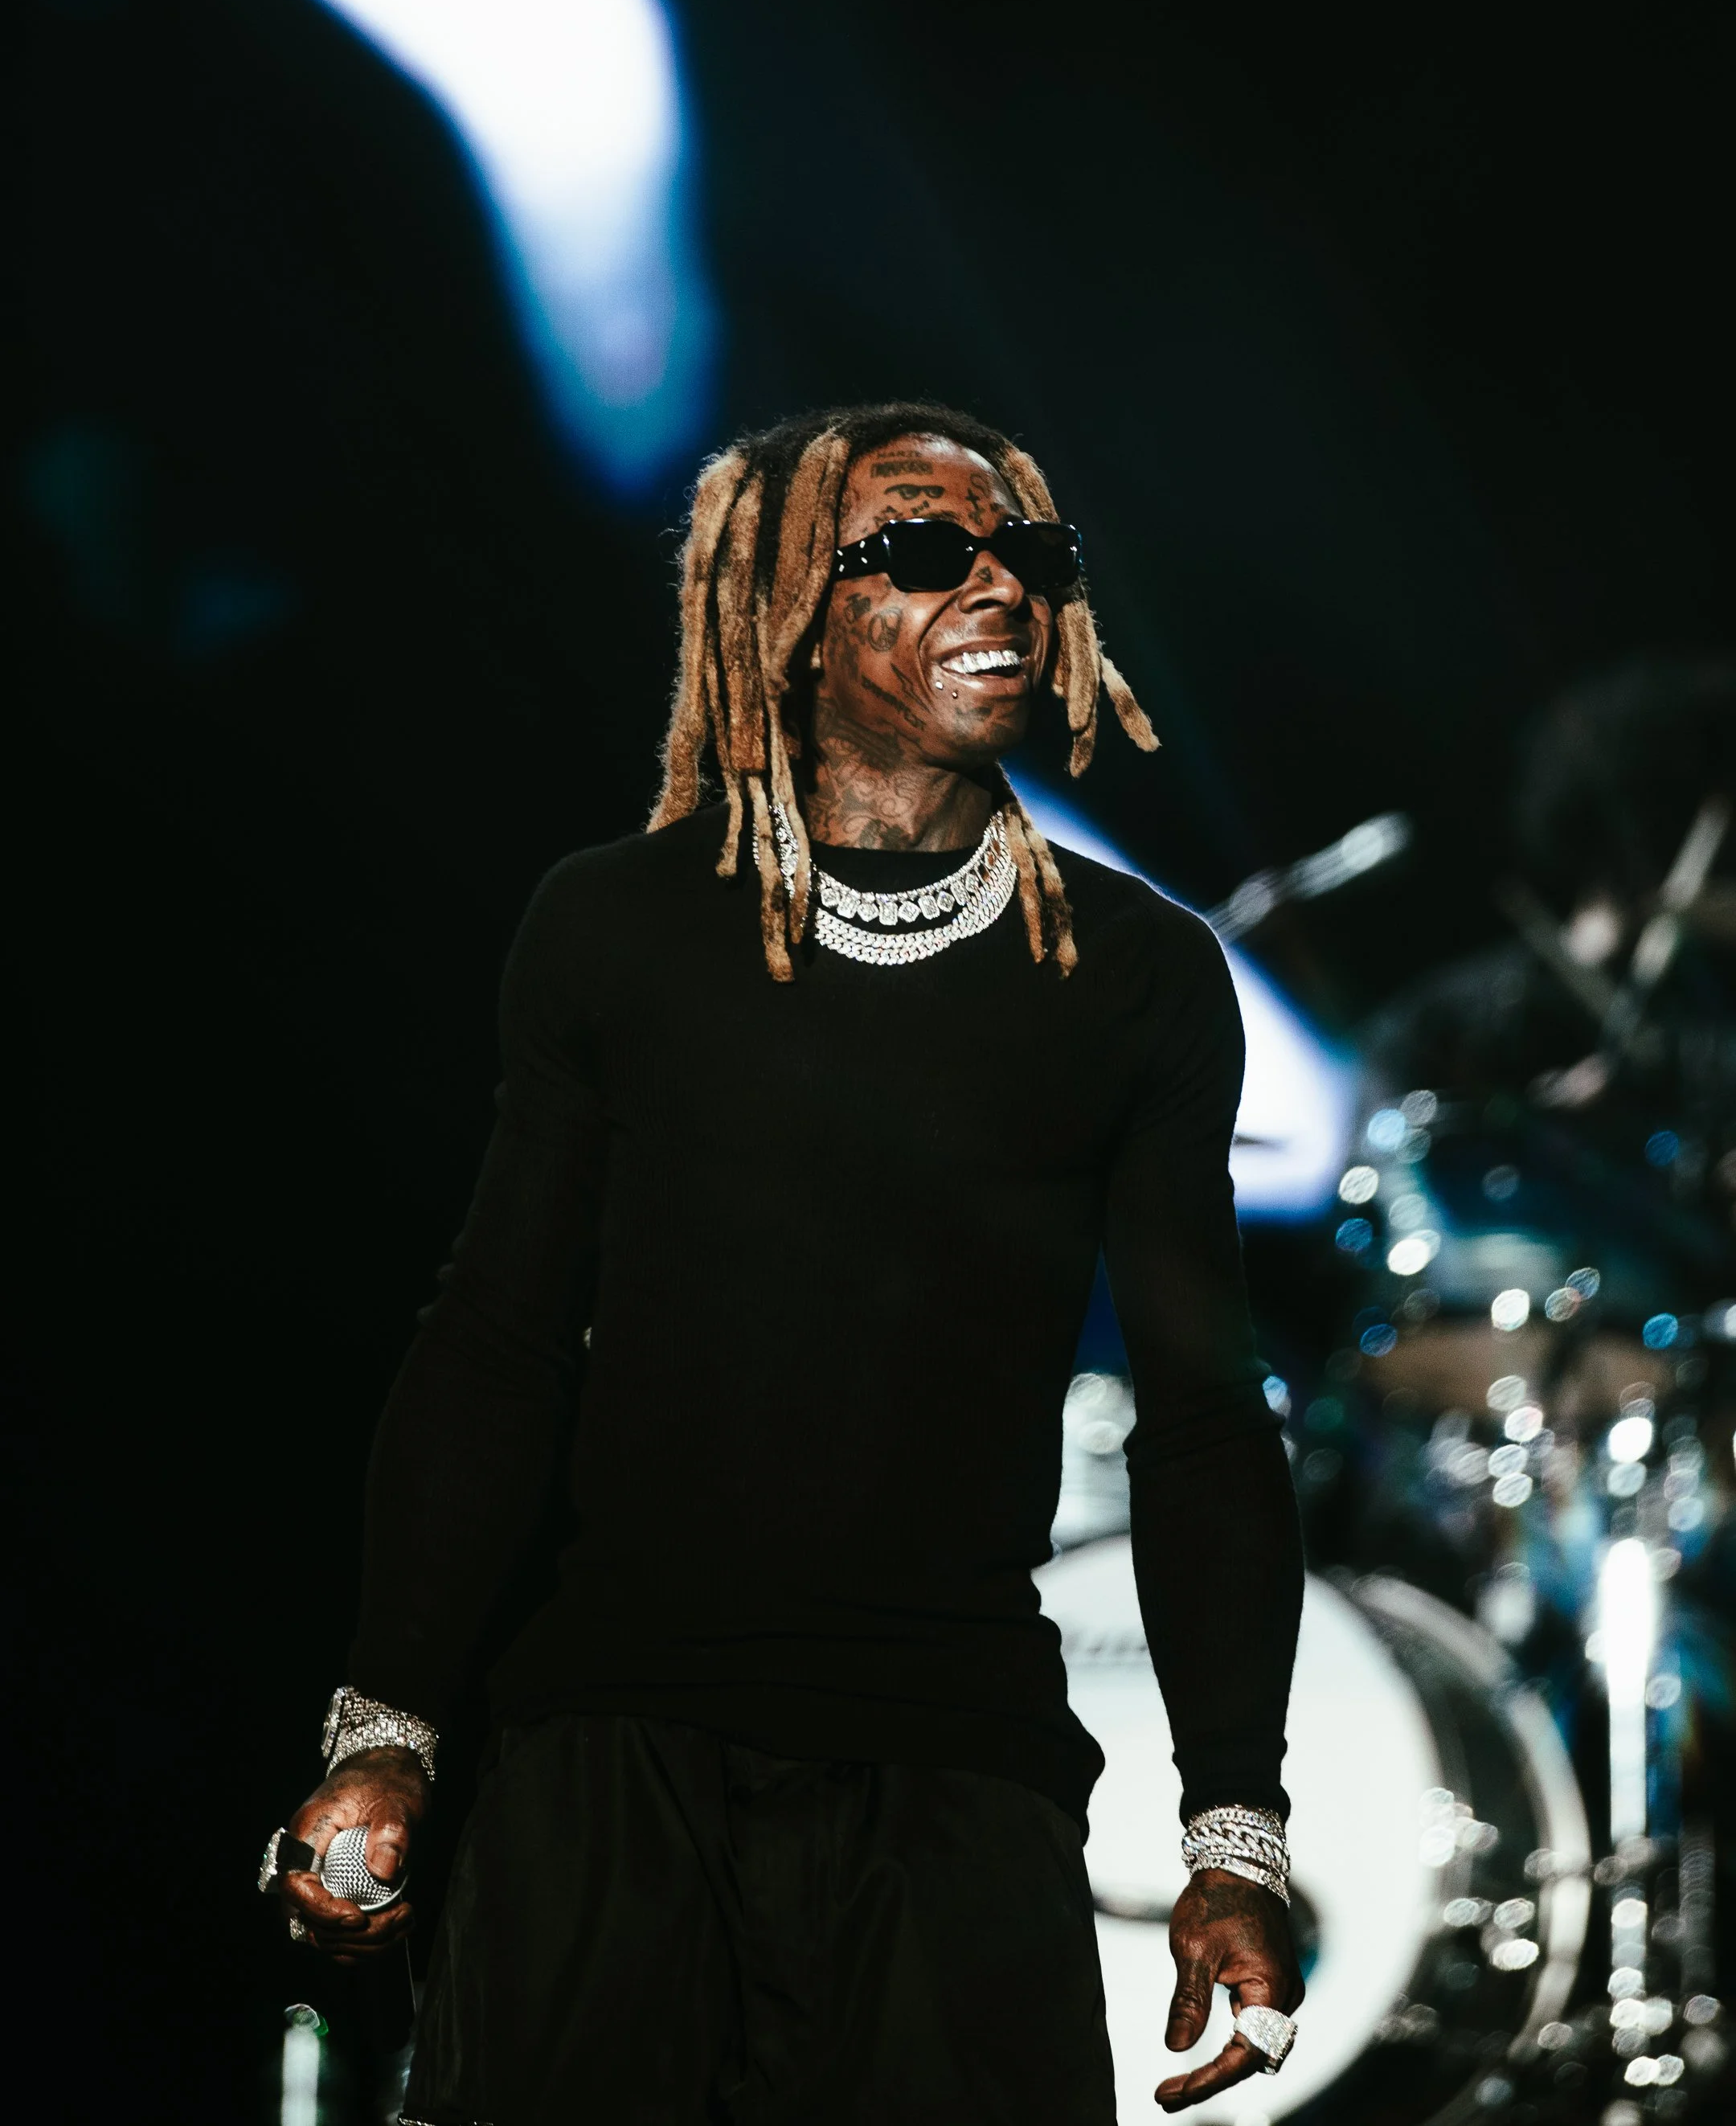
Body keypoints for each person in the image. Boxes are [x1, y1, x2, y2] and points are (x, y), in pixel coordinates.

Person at [260, 403, 1306, 2124]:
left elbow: (1203, 1422)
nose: (1001, 590)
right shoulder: (615, 925)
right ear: (789, 613)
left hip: (957, 1774)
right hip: (611, 1755)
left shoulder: (1134, 977)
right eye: (924, 550)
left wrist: (1235, 1836)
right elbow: (497, 1343)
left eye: (1030, 556)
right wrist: (387, 1735)